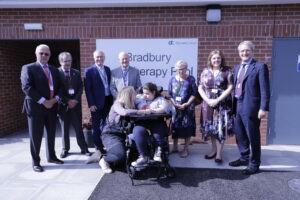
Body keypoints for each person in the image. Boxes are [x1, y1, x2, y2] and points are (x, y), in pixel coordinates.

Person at [229, 41, 270, 175]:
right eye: (242, 51)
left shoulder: (259, 67)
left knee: (253, 137)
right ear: (239, 53)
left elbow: (265, 90)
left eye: (247, 50)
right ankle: (244, 157)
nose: (244, 53)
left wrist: (263, 108)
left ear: (252, 51)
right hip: (238, 105)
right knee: (240, 135)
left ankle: (254, 164)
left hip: (251, 107)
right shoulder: (236, 68)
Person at [20, 44, 63, 173]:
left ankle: (51, 156)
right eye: (41, 53)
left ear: (50, 55)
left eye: (46, 54)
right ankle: (36, 162)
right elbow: (27, 87)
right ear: (36, 54)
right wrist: (44, 101)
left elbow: (60, 87)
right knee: (36, 136)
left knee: (51, 134)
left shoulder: (54, 70)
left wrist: (55, 99)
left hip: (52, 106)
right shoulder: (28, 68)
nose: (44, 56)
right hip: (36, 107)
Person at [198, 50, 234, 163]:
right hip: (208, 105)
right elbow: (200, 87)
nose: (216, 60)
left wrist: (218, 99)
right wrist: (207, 100)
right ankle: (213, 150)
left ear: (221, 59)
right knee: (211, 130)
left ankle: (219, 154)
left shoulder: (227, 71)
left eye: (218, 58)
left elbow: (230, 87)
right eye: (214, 58)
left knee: (220, 129)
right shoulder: (205, 71)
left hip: (222, 105)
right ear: (210, 59)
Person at [99, 86, 143, 173]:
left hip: (123, 135)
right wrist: (140, 112)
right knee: (120, 156)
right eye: (134, 93)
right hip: (111, 135)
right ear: (129, 95)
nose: (136, 95)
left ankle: (112, 153)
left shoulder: (130, 105)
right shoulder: (117, 105)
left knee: (131, 156)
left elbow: (141, 98)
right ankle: (104, 160)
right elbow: (123, 112)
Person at [57, 52, 91, 158]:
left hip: (76, 106)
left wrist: (75, 100)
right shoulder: (56, 73)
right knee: (64, 129)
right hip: (63, 106)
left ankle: (84, 148)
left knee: (78, 128)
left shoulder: (76, 72)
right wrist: (67, 101)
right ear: (60, 61)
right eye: (65, 61)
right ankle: (65, 149)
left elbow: (80, 87)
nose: (67, 63)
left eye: (69, 60)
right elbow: (56, 90)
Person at [131, 82, 170, 167]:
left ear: (154, 92)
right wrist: (134, 97)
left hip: (156, 121)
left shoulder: (160, 99)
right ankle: (143, 156)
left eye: (147, 94)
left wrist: (153, 111)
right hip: (142, 122)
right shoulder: (139, 99)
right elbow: (130, 106)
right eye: (144, 93)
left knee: (157, 133)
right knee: (138, 131)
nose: (145, 95)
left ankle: (158, 152)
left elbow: (164, 108)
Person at [84, 50, 113, 156]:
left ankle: (106, 145)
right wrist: (91, 104)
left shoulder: (107, 69)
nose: (99, 59)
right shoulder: (89, 71)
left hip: (108, 101)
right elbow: (88, 89)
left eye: (101, 57)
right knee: (96, 126)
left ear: (104, 57)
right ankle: (98, 148)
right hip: (96, 103)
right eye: (97, 57)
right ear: (94, 58)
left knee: (106, 125)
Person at [168, 60, 197, 158]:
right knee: (175, 127)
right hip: (175, 108)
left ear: (186, 68)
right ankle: (175, 147)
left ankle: (186, 149)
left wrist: (187, 104)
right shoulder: (172, 80)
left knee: (187, 128)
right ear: (176, 69)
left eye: (183, 69)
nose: (181, 71)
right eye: (179, 69)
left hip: (187, 108)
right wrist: (174, 104)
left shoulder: (191, 79)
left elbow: (194, 93)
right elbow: (170, 94)